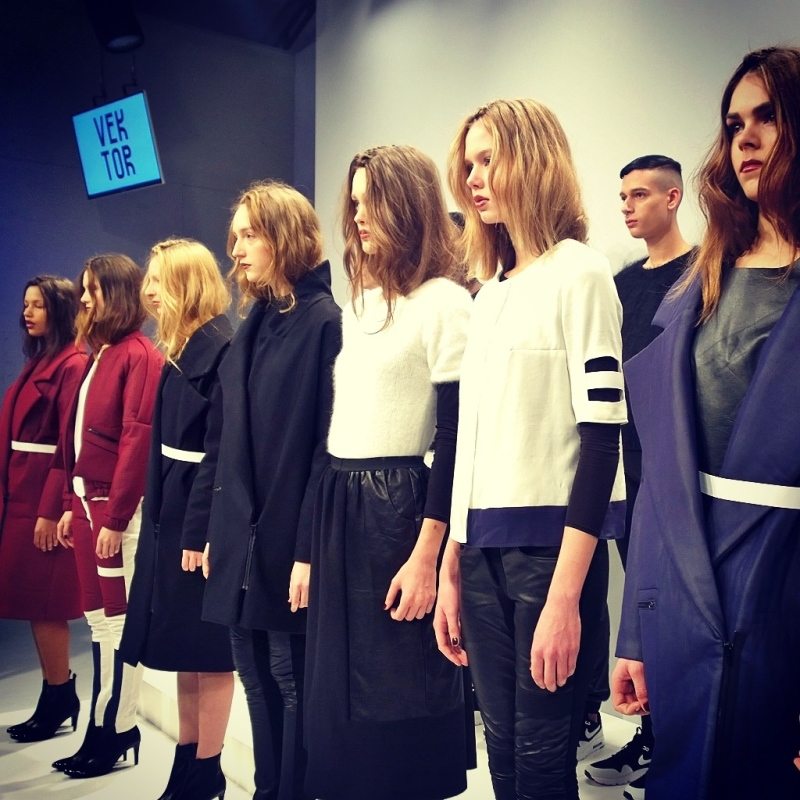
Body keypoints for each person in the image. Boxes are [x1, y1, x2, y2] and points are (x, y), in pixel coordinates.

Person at [612, 46, 800, 800]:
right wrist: (635, 631)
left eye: (768, 117)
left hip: (781, 584)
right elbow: (661, 472)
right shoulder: (702, 278)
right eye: (733, 124)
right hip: (683, 589)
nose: (745, 138)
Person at [436, 98, 627, 800]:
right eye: (469, 164)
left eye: (489, 159)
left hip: (549, 556)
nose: (474, 178)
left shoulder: (582, 274)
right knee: (503, 754)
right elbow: (468, 441)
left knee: (544, 761)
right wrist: (451, 565)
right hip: (479, 554)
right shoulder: (487, 295)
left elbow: (602, 441)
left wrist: (567, 596)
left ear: (533, 161)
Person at [304, 145, 472, 800]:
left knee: (399, 694)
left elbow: (455, 435)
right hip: (341, 504)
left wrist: (428, 555)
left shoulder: (444, 302)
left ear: (406, 203)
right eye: (353, 201)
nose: (357, 215)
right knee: (341, 700)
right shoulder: (361, 303)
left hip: (398, 509)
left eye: (370, 199)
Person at [201, 180, 341, 800]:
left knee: (290, 677)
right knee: (254, 675)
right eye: (235, 237)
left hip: (290, 536)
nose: (236, 250)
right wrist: (219, 533)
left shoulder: (324, 322)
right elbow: (231, 439)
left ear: (285, 236)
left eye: (250, 235)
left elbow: (325, 448)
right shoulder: (255, 321)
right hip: (243, 536)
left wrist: (307, 549)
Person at [583, 155, 694, 795]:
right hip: (628, 469)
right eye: (622, 196)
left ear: (672, 198)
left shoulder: (705, 274)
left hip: (677, 470)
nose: (627, 206)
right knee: (640, 609)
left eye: (640, 194)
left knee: (677, 610)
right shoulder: (620, 285)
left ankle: (678, 742)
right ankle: (652, 736)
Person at [120, 239, 234, 800]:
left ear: (187, 285)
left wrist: (199, 531)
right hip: (172, 515)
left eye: (159, 280)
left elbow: (220, 452)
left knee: (208, 652)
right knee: (184, 649)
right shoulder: (182, 350)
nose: (149, 292)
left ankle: (207, 768)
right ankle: (189, 760)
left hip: (197, 524)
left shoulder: (221, 351)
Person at [53, 254, 163, 779]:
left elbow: (137, 438)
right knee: (100, 623)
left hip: (111, 510)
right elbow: (82, 438)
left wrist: (116, 517)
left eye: (92, 289)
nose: (83, 299)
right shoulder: (103, 354)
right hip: (88, 503)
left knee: (119, 624)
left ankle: (117, 728)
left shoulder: (138, 355)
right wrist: (72, 503)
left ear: (114, 293)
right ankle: (103, 728)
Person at [0, 276, 86, 742]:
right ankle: (56, 693)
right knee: (35, 603)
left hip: (40, 497)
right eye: (25, 304)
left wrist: (53, 507)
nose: (27, 313)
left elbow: (69, 444)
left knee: (46, 603)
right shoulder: (43, 360)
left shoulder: (72, 364)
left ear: (60, 309)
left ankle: (59, 695)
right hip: (20, 491)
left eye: (38, 305)